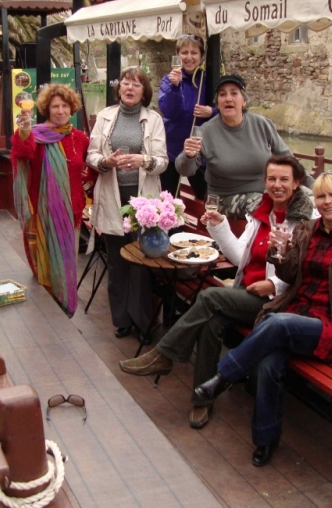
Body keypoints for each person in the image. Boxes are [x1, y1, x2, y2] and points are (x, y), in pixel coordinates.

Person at [194, 171, 332, 467]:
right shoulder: (307, 230)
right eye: (321, 196)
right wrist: (280, 253)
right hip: (297, 316)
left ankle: (223, 376)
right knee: (267, 362)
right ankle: (265, 439)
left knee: (275, 323)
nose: (327, 202)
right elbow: (289, 275)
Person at [119, 155, 314, 429]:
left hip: (278, 305)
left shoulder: (306, 222)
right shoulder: (262, 214)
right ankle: (202, 400)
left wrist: (274, 285)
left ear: (297, 183)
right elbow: (236, 257)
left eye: (284, 179)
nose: (277, 185)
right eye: (272, 179)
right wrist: (220, 224)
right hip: (246, 294)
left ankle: (164, 355)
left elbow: (308, 270)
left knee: (208, 297)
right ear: (264, 181)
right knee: (210, 323)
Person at [86, 67, 168, 342]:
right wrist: (105, 162)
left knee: (143, 261)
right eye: (126, 83)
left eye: (136, 84)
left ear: (144, 92)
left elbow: (162, 161)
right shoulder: (106, 117)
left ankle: (143, 323)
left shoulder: (153, 119)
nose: (130, 88)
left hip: (142, 199)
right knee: (118, 262)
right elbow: (92, 155)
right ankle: (121, 320)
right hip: (112, 195)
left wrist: (142, 161)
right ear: (119, 88)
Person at [11, 84, 89, 317]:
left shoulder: (80, 138)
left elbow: (90, 169)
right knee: (43, 265)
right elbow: (21, 152)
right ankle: (47, 315)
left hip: (71, 212)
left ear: (72, 108)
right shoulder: (35, 134)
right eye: (55, 106)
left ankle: (64, 311)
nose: (60, 110)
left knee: (67, 265)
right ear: (47, 108)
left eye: (65, 105)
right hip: (41, 213)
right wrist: (23, 130)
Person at [175, 74, 295, 219]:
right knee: (262, 205)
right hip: (223, 199)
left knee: (305, 199)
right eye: (222, 94)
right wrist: (189, 156)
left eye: (234, 93)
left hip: (266, 193)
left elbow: (289, 160)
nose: (228, 99)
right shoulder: (205, 131)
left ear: (244, 101)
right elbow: (185, 169)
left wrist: (314, 187)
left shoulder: (262, 124)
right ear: (217, 104)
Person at [158, 34, 216, 199]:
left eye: (194, 53)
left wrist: (211, 112)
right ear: (177, 54)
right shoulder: (169, 81)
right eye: (184, 52)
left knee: (206, 197)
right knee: (168, 201)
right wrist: (175, 88)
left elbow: (229, 109)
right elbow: (169, 110)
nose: (189, 57)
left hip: (199, 152)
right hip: (172, 149)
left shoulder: (209, 80)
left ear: (201, 56)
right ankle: (172, 226)